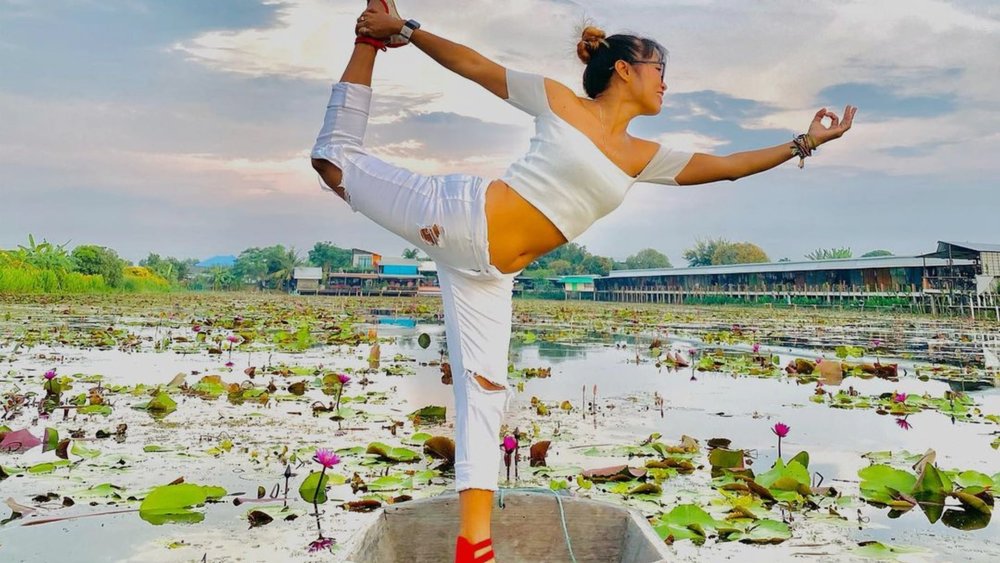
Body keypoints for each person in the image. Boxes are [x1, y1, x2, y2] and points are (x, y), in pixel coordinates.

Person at [310, 2, 857, 561]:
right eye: (659, 69)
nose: (666, 83)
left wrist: (804, 143)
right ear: (625, 69)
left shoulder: (641, 156)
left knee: (484, 393)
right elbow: (475, 67)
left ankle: (474, 545)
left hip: (493, 275)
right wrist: (402, 30)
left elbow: (728, 165)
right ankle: (367, 41)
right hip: (456, 216)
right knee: (331, 162)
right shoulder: (559, 101)